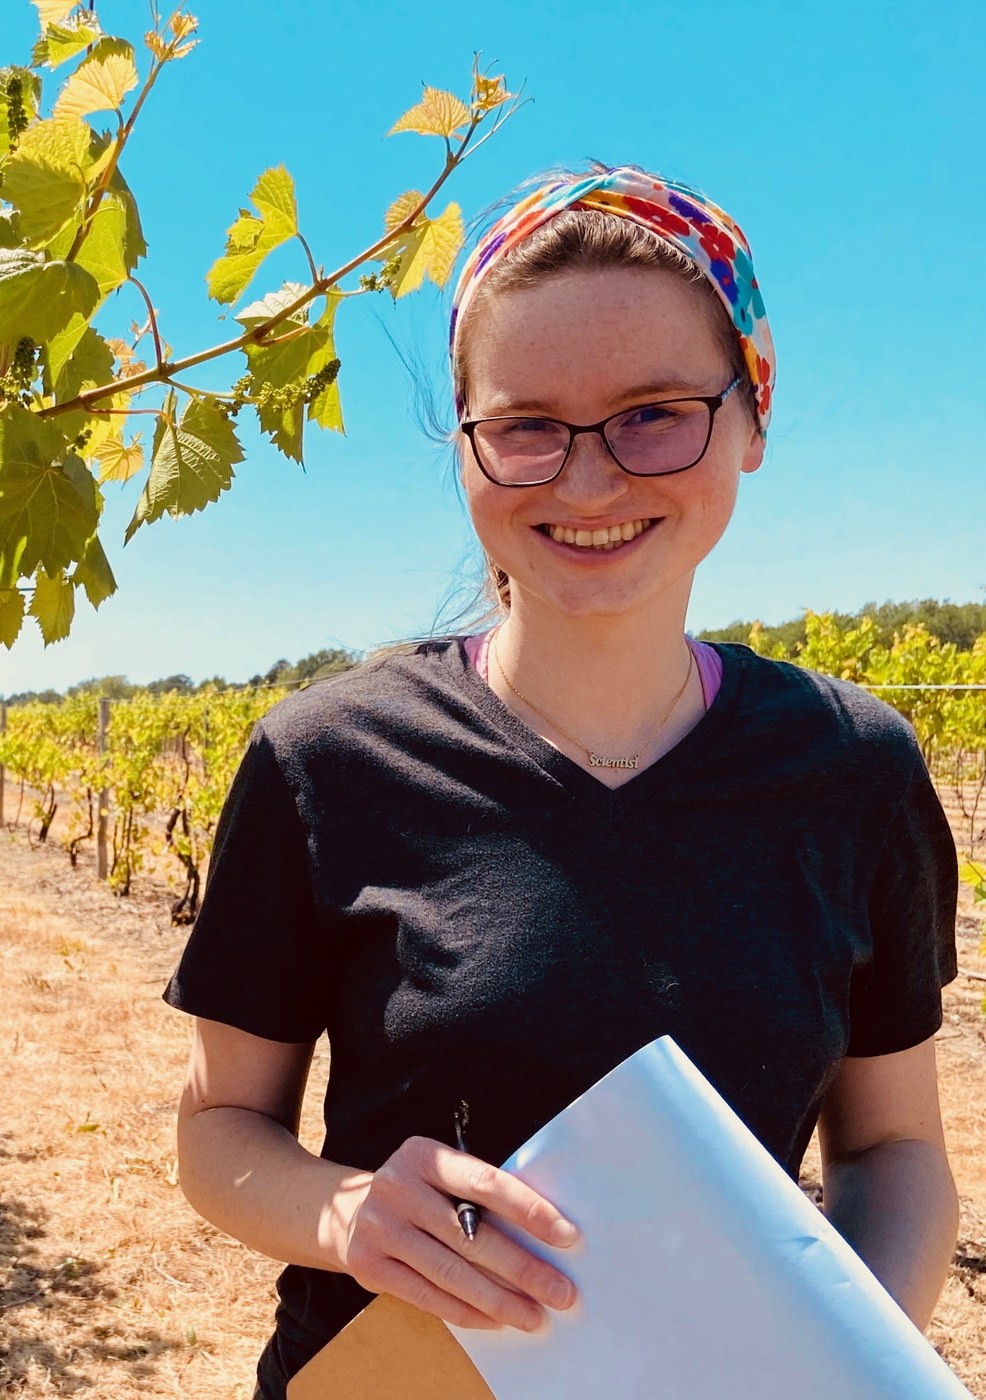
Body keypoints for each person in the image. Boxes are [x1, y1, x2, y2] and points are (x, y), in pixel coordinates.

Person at [163, 164, 960, 1400]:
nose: (586, 478)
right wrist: (346, 1213)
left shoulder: (851, 770)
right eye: (526, 423)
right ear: (466, 447)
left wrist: (826, 1365)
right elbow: (219, 1131)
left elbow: (896, 1148)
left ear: (749, 419)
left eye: (653, 412)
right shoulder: (323, 761)